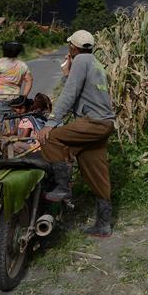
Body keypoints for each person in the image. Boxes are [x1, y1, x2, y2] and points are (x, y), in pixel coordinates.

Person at [36, 29, 115, 237]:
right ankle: (104, 225)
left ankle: (63, 187)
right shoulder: (95, 62)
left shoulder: (80, 61)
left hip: (93, 122)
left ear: (73, 47)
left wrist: (51, 122)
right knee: (97, 172)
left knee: (51, 138)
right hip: (104, 123)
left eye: (70, 46)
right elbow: (83, 90)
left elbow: (70, 93)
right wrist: (67, 74)